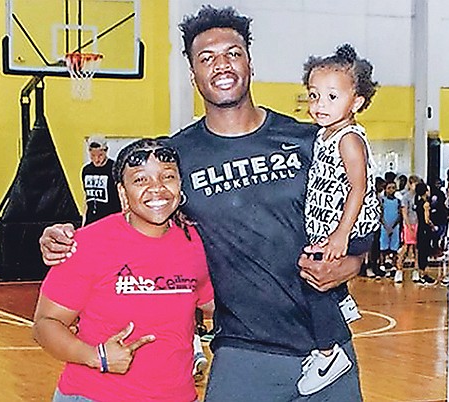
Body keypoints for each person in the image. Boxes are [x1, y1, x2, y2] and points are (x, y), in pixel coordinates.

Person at [39, 6, 364, 401]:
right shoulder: (179, 157)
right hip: (244, 351)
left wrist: (352, 263)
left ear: (249, 63)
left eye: (232, 52)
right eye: (206, 58)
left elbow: (358, 212)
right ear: (193, 75)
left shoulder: (308, 139)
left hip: (326, 348)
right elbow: (132, 223)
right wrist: (62, 237)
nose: (221, 65)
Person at [33, 139, 215, 402]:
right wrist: (96, 357)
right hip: (95, 396)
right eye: (141, 180)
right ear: (122, 193)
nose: (157, 188)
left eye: (168, 176)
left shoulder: (195, 242)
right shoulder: (87, 245)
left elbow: (215, 303)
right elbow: (45, 325)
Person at [298, 44, 381, 395]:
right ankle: (342, 303)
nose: (320, 105)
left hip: (350, 227)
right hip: (331, 226)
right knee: (316, 280)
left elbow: (358, 189)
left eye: (332, 96)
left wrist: (341, 236)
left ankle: (330, 353)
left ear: (357, 102)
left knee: (314, 283)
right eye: (314, 96)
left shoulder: (348, 139)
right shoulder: (324, 133)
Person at [81, 135, 121, 225]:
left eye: (100, 155)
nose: (96, 159)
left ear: (106, 151)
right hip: (92, 219)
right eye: (93, 155)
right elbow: (87, 198)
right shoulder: (86, 170)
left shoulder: (114, 168)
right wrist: (83, 222)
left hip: (111, 219)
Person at [379, 180, 403, 282]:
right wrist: (386, 225)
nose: (391, 190)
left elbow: (399, 214)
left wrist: (393, 226)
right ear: (385, 189)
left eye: (393, 188)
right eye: (389, 188)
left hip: (395, 226)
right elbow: (380, 214)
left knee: (394, 247)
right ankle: (382, 264)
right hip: (385, 226)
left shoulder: (398, 201)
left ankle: (393, 265)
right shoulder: (382, 200)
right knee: (383, 246)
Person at [415, 182, 435, 282]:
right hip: (425, 230)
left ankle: (420, 273)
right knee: (425, 251)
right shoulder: (426, 204)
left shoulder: (418, 202)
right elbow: (427, 219)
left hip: (420, 229)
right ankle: (424, 273)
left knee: (420, 251)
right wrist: (432, 226)